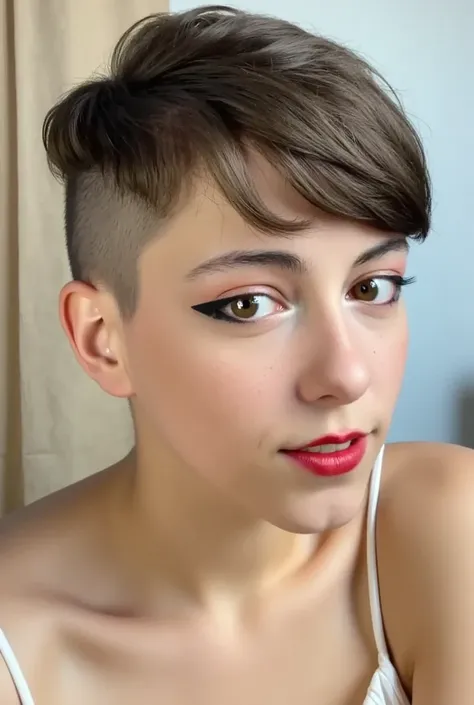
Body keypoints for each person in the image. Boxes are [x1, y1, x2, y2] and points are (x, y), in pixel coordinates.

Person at [0, 5, 472, 704]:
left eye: (373, 286)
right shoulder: (19, 639)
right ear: (104, 337)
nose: (347, 374)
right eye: (248, 304)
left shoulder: (444, 525)